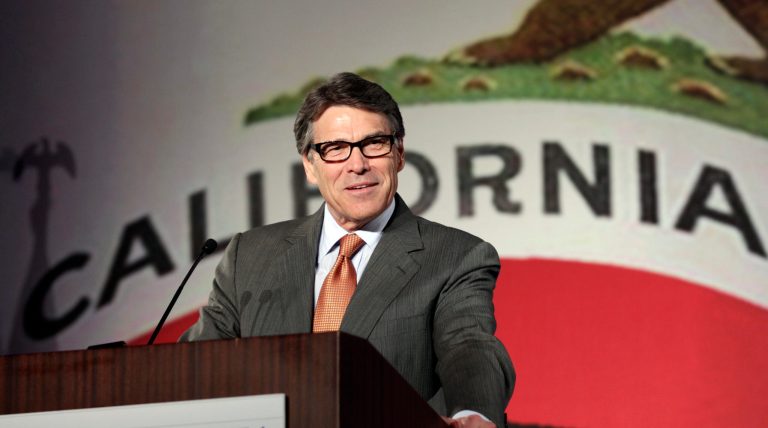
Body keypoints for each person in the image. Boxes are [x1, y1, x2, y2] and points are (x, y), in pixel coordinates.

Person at [180, 72, 515, 427]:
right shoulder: (249, 255)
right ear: (310, 166)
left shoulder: (456, 256)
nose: (357, 164)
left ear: (399, 153)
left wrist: (471, 413)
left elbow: (469, 347)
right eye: (336, 148)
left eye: (374, 143)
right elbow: (194, 366)